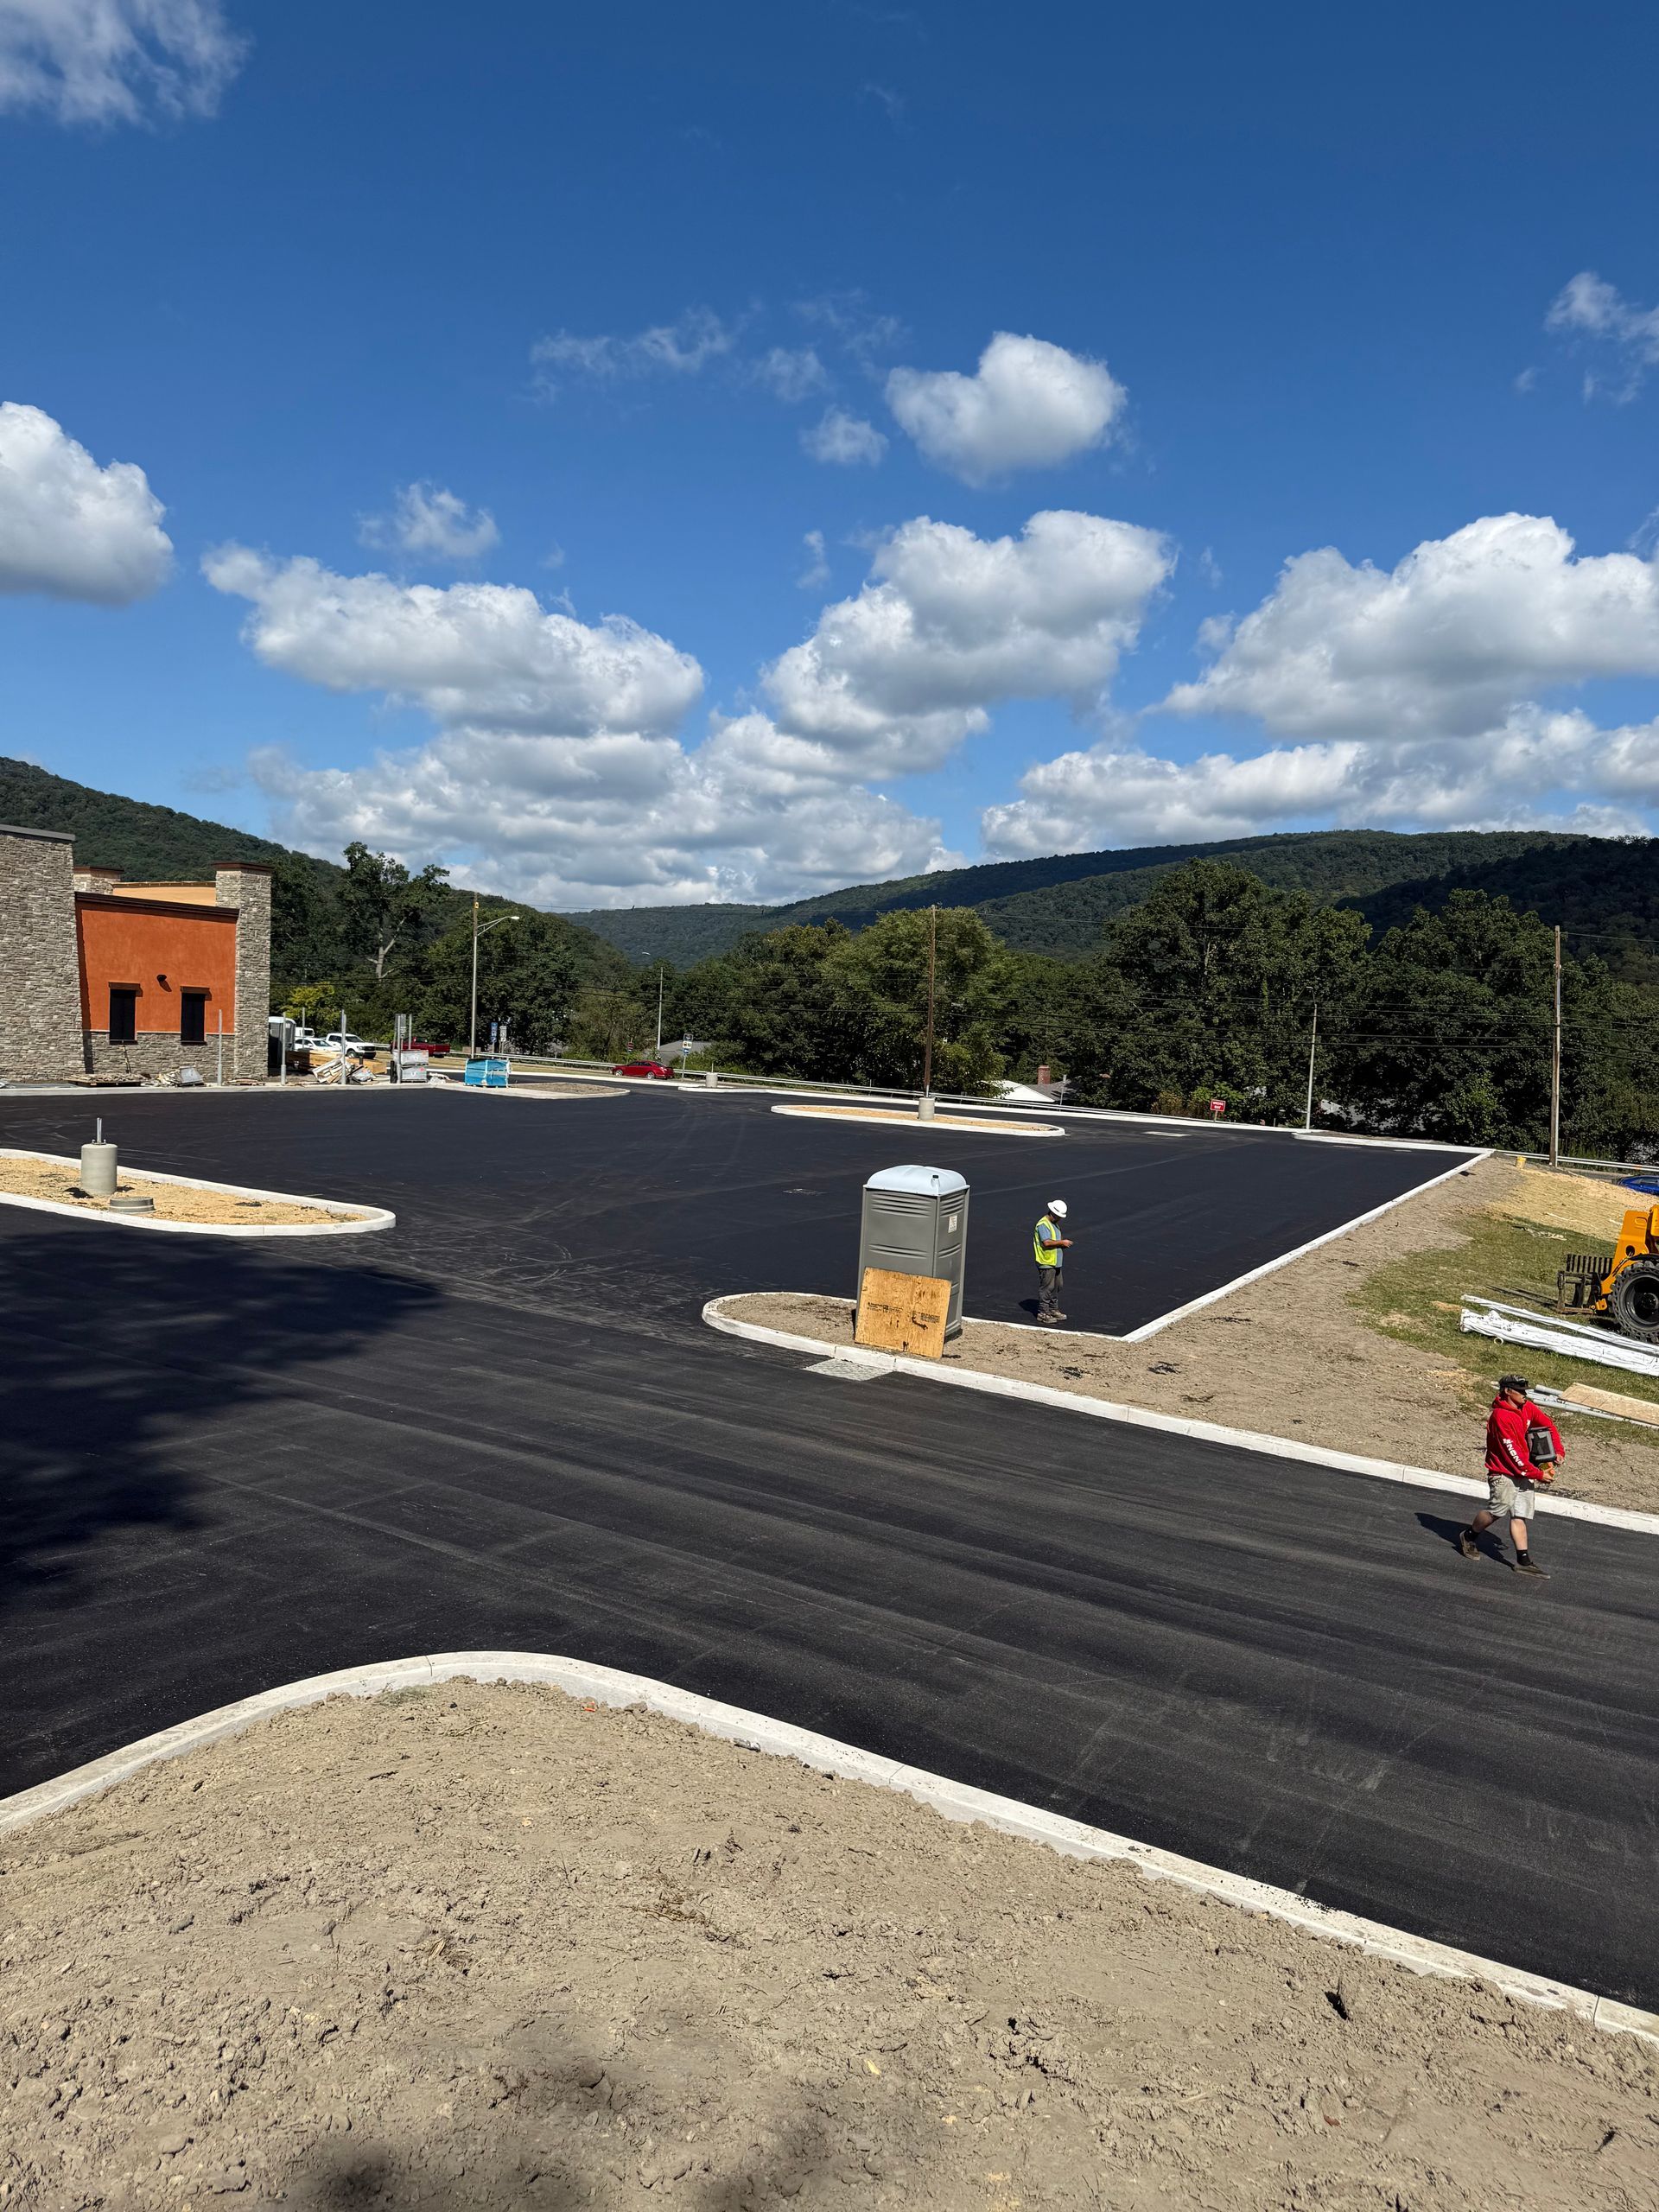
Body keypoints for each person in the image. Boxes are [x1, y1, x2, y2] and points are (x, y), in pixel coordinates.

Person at [1458, 1374, 1562, 1577]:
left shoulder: (1527, 1408)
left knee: (1519, 1514)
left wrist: (1557, 1450)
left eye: (1525, 1391)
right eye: (1520, 1391)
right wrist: (1538, 1474)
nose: (1525, 1395)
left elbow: (1548, 1426)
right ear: (1507, 1391)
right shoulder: (1500, 1417)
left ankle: (1523, 1560)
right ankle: (1469, 1536)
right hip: (1504, 1473)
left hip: (1525, 1471)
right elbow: (1511, 1454)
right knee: (1497, 1511)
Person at [1033, 1199, 1072, 1325]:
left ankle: (1053, 1309)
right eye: (1059, 1216)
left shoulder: (1055, 1225)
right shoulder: (1043, 1225)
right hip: (1046, 1261)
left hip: (1056, 1261)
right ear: (1053, 1213)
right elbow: (1047, 1242)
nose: (1060, 1219)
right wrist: (1062, 1243)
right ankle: (1043, 1313)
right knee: (1047, 1287)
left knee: (1057, 1286)